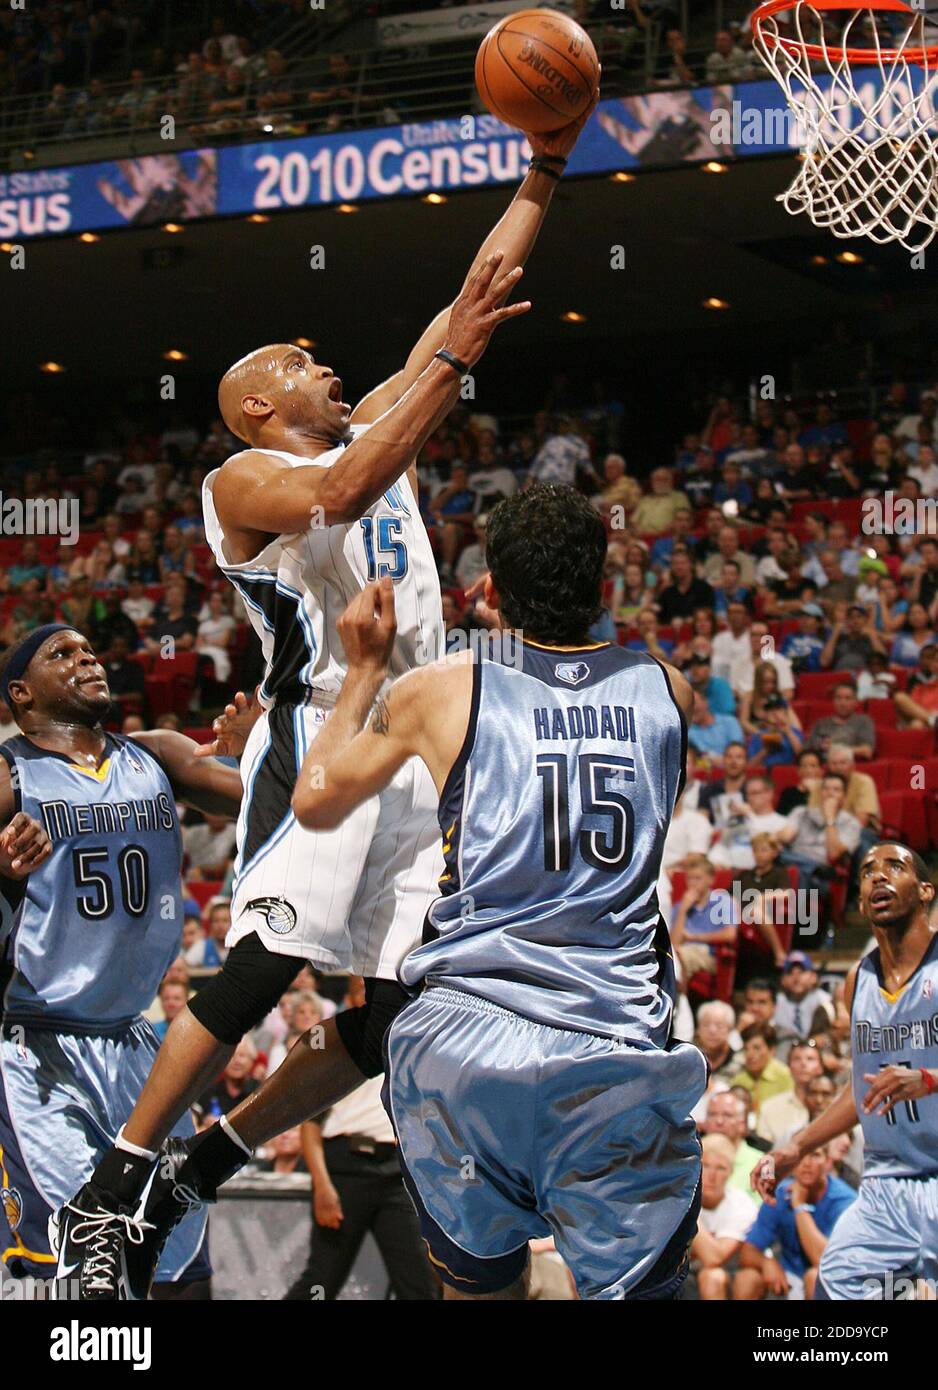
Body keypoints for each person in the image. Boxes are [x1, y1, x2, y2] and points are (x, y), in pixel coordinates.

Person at [60, 98, 600, 1299]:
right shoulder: (244, 474)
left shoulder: (371, 417)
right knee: (259, 966)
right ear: (257, 404)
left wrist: (545, 169)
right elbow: (350, 485)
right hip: (325, 721)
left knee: (399, 1010)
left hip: (420, 748)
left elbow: (479, 280)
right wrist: (448, 361)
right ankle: (111, 1183)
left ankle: (202, 1163)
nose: (326, 367)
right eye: (298, 365)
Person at [144, 484, 705, 1302]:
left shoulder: (438, 687)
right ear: (603, 585)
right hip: (610, 1041)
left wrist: (365, 669)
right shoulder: (669, 690)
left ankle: (189, 1163)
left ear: (492, 590)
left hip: (463, 1050)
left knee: (480, 1287)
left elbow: (315, 797)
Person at [0, 626, 246, 1297]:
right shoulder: (9, 772)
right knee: (73, 1269)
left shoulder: (158, 755)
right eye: (62, 654)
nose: (87, 659)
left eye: (89, 651)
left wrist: (262, 749)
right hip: (39, 1047)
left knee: (173, 1256)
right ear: (20, 693)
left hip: (139, 1046)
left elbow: (275, 808)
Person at [753, 842, 938, 1299]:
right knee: (837, 1287)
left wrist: (930, 1079)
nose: (879, 876)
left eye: (895, 867)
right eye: (868, 871)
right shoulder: (859, 980)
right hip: (885, 1184)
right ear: (859, 901)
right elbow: (863, 1089)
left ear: (925, 890)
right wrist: (795, 1147)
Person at [284, 1065, 437, 1301]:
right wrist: (322, 1186)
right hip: (345, 1170)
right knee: (322, 1280)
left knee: (420, 1282)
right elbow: (310, 1126)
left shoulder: (407, 1054)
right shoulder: (340, 1057)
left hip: (396, 1171)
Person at [735, 1146, 856, 1300]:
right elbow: (748, 1251)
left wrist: (799, 1206)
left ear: (828, 1162)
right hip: (788, 1277)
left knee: (815, 1277)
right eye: (801, 1157)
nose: (806, 1163)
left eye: (814, 1155)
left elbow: (825, 1263)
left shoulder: (845, 1202)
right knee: (747, 1277)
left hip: (838, 1280)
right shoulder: (780, 1194)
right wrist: (766, 1262)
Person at [692, 1135, 757, 1300]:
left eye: (720, 1168)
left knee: (713, 1276)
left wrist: (688, 1210)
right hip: (682, 1271)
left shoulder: (742, 1205)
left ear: (731, 1172)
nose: (712, 1176)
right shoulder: (676, 1200)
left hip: (730, 1273)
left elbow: (714, 1259)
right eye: (705, 1166)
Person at [670, 854, 738, 979]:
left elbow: (730, 934)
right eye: (690, 879)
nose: (693, 883)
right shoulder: (680, 906)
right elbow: (674, 943)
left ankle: (681, 998)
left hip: (709, 952)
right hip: (682, 950)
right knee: (671, 957)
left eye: (698, 878)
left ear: (710, 880)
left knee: (679, 958)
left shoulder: (724, 901)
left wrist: (694, 937)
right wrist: (682, 911)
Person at [702, 1090, 765, 1204]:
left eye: (727, 1115)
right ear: (705, 1122)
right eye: (712, 1114)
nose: (719, 1121)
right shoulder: (690, 1158)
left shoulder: (761, 1163)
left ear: (742, 1123)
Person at [756, 1041, 824, 1146]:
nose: (803, 1064)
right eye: (797, 1059)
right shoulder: (770, 1107)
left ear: (820, 1067)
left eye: (810, 1059)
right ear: (789, 1067)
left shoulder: (830, 1107)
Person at [804, 681, 875, 760]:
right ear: (833, 701)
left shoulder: (863, 721)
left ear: (856, 702)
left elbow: (867, 751)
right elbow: (806, 751)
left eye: (847, 698)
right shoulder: (821, 723)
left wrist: (835, 748)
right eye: (838, 698)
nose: (842, 703)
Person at [734, 1023, 794, 1115]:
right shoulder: (738, 1081)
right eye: (746, 1049)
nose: (750, 1055)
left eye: (756, 1048)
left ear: (772, 1050)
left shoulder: (786, 1077)